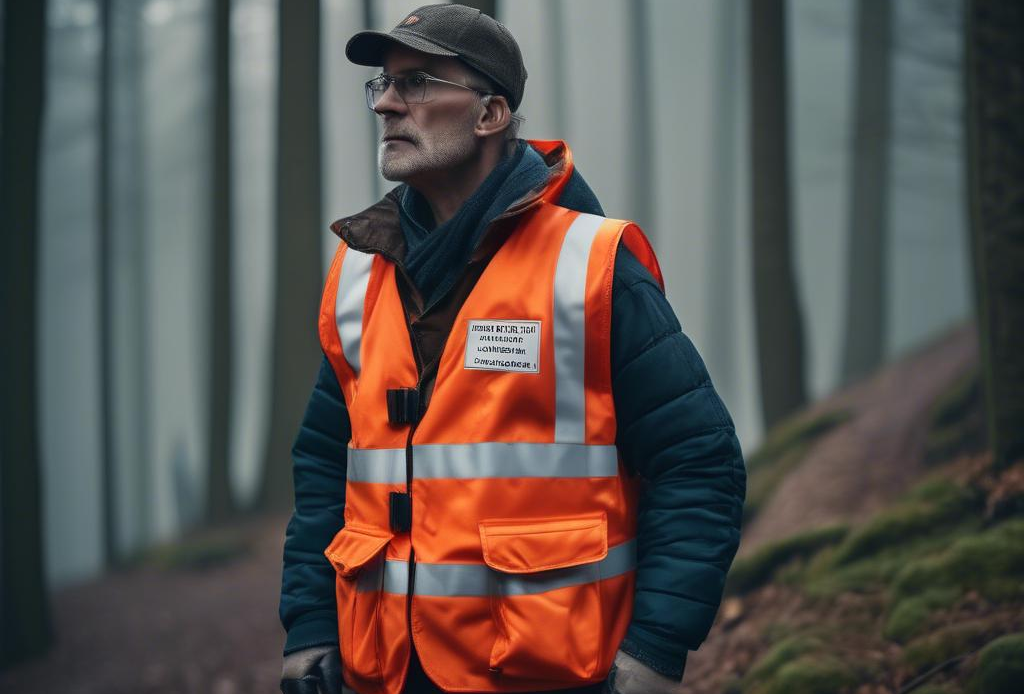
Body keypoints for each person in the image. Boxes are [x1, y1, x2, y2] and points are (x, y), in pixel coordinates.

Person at [278, 5, 746, 694]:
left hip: (551, 672)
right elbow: (325, 465)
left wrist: (656, 649)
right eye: (382, 83)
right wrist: (310, 622)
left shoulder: (589, 266)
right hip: (383, 670)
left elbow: (697, 462)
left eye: (417, 83)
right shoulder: (356, 277)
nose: (384, 103)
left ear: (490, 113)